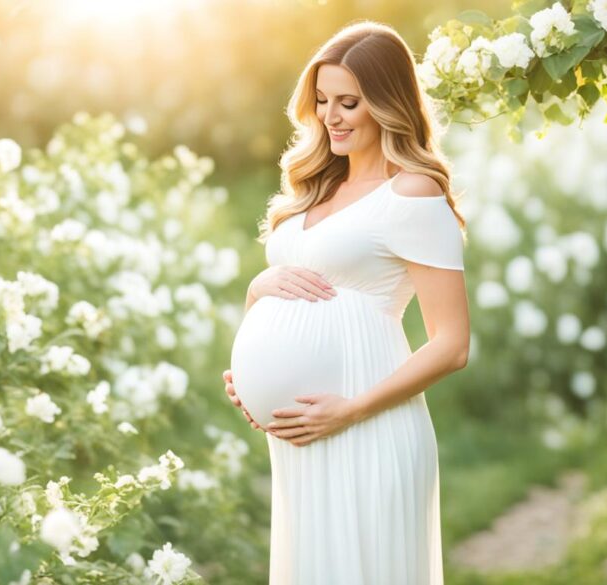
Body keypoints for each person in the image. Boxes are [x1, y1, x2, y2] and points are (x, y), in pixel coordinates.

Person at [223, 19, 470, 585]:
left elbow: (453, 345)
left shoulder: (412, 192)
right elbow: (288, 296)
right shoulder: (314, 190)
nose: (331, 116)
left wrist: (352, 408)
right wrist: (253, 362)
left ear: (387, 104)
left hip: (367, 424)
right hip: (303, 435)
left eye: (349, 102)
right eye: (322, 100)